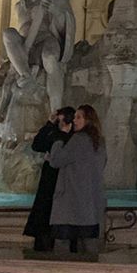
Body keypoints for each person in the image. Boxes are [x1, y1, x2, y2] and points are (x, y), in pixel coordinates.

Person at [48, 104, 107, 258]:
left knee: (63, 245)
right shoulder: (99, 143)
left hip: (70, 202)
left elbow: (57, 160)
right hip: (89, 203)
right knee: (89, 246)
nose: (74, 120)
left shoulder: (79, 139)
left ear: (88, 120)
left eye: (78, 117)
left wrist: (59, 138)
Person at [23, 106, 75, 251]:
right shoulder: (55, 134)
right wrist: (49, 124)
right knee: (45, 214)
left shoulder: (69, 138)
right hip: (50, 180)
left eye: (60, 120)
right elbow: (37, 145)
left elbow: (39, 145)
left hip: (58, 180)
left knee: (47, 214)